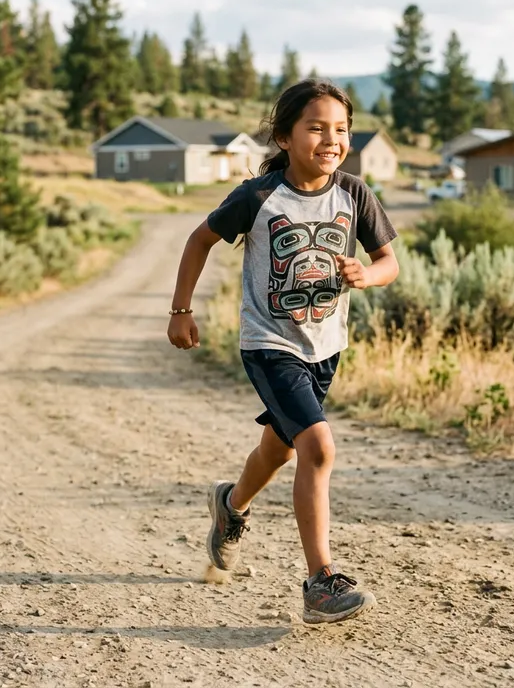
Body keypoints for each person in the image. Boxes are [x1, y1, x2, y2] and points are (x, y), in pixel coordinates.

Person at [167, 78, 399, 624]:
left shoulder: (355, 193)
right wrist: (181, 310)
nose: (331, 139)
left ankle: (231, 506)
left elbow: (389, 262)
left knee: (281, 450)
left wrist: (368, 275)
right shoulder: (259, 195)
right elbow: (199, 239)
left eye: (341, 129)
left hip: (326, 345)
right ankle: (320, 582)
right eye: (316, 128)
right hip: (269, 344)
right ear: (284, 136)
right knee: (317, 447)